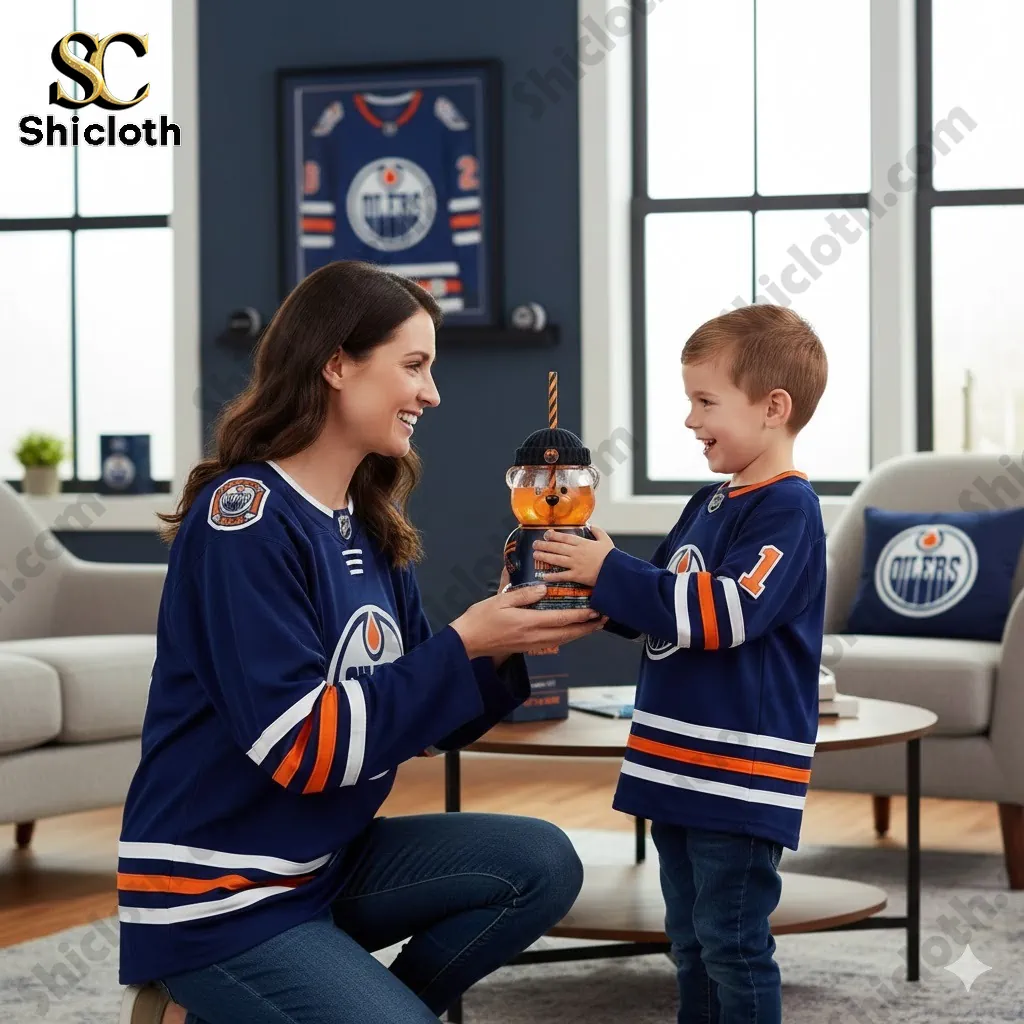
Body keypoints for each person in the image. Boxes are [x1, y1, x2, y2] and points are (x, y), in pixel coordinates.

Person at [117, 260, 603, 1024]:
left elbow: (419, 724)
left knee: (540, 863)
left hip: (323, 866)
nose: (431, 394)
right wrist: (465, 641)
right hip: (218, 896)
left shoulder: (367, 522)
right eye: (414, 365)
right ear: (337, 364)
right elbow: (302, 748)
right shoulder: (242, 519)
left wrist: (504, 641)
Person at [533, 304, 829, 1023]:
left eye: (705, 402)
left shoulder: (790, 510)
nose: (691, 420)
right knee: (690, 942)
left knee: (733, 943)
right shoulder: (708, 502)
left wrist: (613, 572)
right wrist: (585, 584)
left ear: (774, 408)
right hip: (673, 765)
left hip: (737, 771)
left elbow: (725, 613)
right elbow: (662, 611)